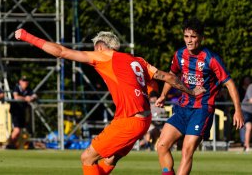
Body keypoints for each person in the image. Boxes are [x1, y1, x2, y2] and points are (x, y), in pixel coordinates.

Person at [15, 28, 205, 174]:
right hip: (142, 120)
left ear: (100, 46)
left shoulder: (103, 56)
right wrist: (190, 91)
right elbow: (165, 78)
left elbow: (60, 51)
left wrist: (26, 36)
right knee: (108, 160)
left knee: (87, 157)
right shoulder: (138, 60)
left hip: (129, 121)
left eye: (94, 48)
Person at [155, 18, 244, 175]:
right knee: (161, 145)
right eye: (186, 36)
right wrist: (163, 95)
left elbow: (229, 83)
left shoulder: (211, 58)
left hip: (202, 110)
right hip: (183, 108)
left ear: (201, 38)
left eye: (193, 37)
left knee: (186, 151)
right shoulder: (179, 55)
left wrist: (238, 110)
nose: (189, 41)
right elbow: (172, 75)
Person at [6, 76, 37, 149]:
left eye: (26, 81)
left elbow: (35, 95)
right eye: (23, 81)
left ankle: (14, 145)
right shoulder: (17, 87)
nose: (25, 83)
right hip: (16, 112)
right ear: (20, 82)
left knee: (23, 130)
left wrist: (31, 98)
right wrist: (26, 98)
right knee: (17, 130)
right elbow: (16, 97)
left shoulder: (28, 89)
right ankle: (9, 145)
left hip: (23, 112)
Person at [241, 83, 252, 152]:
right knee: (249, 127)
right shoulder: (251, 86)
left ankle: (245, 144)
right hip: (246, 110)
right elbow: (251, 100)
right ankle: (247, 146)